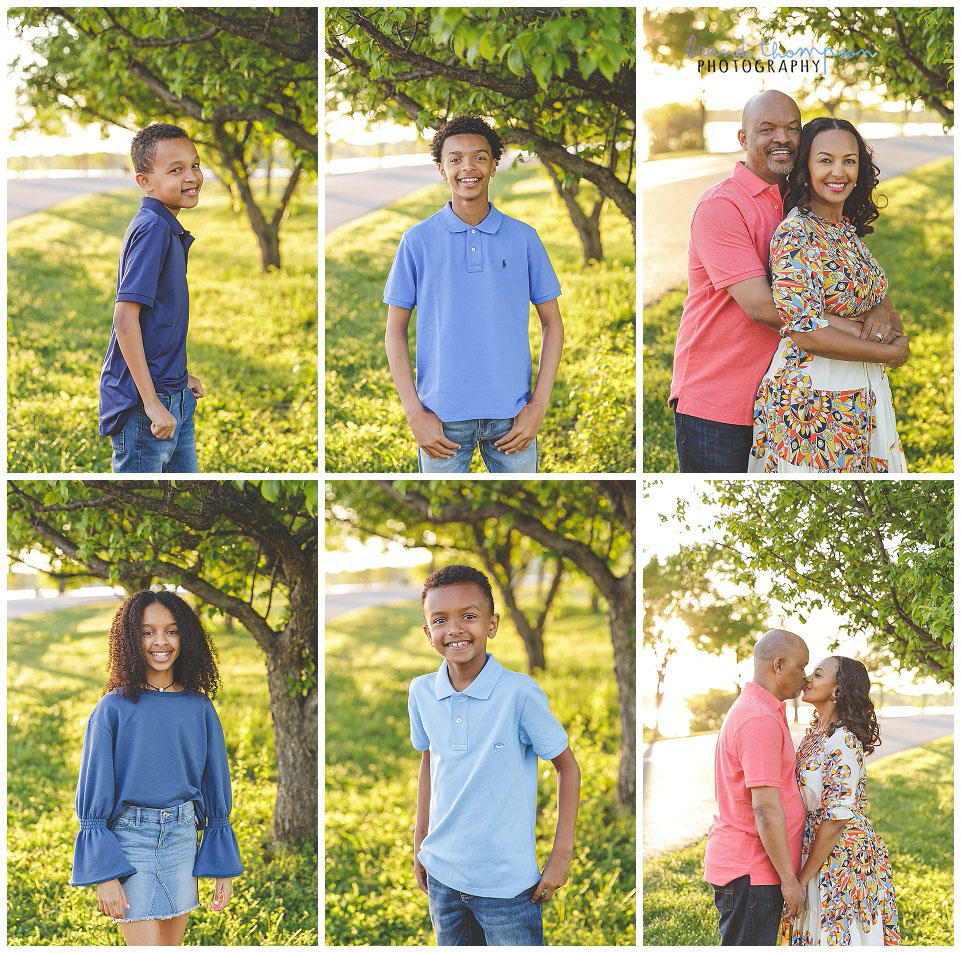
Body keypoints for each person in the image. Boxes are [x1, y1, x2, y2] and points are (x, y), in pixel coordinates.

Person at [669, 92, 902, 472]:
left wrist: (877, 305)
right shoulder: (721, 207)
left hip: (787, 388)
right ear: (743, 138)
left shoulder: (803, 203)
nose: (783, 138)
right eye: (767, 129)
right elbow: (763, 307)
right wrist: (867, 332)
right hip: (720, 400)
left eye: (792, 129)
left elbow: (846, 273)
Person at [408, 564, 580, 945]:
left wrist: (561, 855)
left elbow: (567, 768)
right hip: (443, 877)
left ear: (492, 624)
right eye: (440, 620)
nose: (454, 629)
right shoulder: (421, 692)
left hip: (508, 889)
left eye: (468, 616)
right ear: (427, 633)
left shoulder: (519, 693)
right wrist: (420, 843)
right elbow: (429, 761)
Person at [384, 115, 564, 473]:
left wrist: (538, 406)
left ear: (495, 165)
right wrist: (415, 414)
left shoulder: (524, 238)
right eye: (455, 159)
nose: (468, 167)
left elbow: (552, 324)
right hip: (441, 419)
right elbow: (394, 332)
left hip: (512, 418)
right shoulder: (416, 241)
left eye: (480, 157)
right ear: (441, 168)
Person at [70, 591, 243, 945]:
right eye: (148, 632)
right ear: (130, 640)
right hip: (131, 842)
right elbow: (94, 794)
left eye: (172, 631)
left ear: (186, 638)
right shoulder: (112, 709)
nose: (161, 642)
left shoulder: (199, 707)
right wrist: (106, 874)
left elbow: (215, 786)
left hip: (182, 840)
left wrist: (222, 866)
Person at [750, 117, 908, 472]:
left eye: (849, 160)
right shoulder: (796, 233)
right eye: (826, 160)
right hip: (813, 404)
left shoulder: (844, 229)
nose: (839, 171)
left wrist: (885, 312)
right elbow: (806, 333)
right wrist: (889, 353)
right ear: (805, 166)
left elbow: (873, 293)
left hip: (859, 390)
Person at [99, 123, 205, 473]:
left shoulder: (166, 225)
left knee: (186, 493)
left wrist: (179, 376)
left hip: (173, 393)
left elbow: (159, 319)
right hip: (147, 405)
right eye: (176, 170)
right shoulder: (153, 228)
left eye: (195, 164)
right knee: (143, 495)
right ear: (145, 181)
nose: (192, 176)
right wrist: (152, 403)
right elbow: (125, 319)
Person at [704, 629, 809, 945]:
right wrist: (789, 882)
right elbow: (764, 808)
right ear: (778, 665)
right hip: (754, 873)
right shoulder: (758, 718)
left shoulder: (760, 709)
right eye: (800, 666)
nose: (805, 677)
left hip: (755, 872)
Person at [791, 656, 900, 944]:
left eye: (817, 674)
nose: (808, 679)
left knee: (835, 935)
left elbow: (837, 817)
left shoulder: (844, 741)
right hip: (815, 847)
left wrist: (801, 880)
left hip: (842, 856)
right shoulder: (814, 735)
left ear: (837, 690)